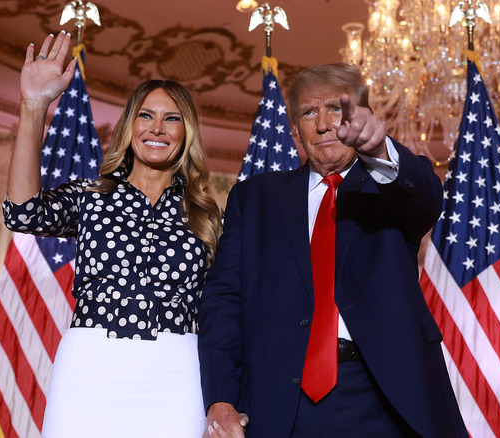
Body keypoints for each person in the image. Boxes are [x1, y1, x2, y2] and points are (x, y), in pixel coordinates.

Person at [197, 63, 467, 437]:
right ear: (294, 128)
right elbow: (223, 302)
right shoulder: (254, 198)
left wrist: (379, 148)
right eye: (309, 112)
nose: (323, 125)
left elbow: (427, 196)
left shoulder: (391, 185)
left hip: (386, 396)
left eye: (336, 109)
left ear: (363, 117)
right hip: (282, 399)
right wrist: (221, 399)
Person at [3, 31, 222, 437]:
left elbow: (226, 311)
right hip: (89, 366)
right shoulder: (92, 196)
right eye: (146, 115)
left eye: (172, 118)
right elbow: (22, 212)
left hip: (176, 375)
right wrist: (33, 106)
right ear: (130, 124)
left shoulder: (208, 216)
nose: (157, 128)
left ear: (186, 130)